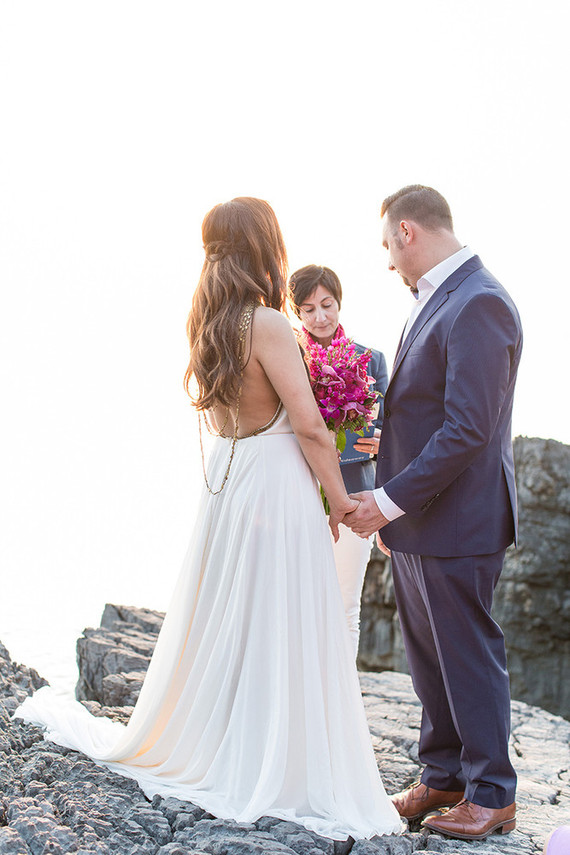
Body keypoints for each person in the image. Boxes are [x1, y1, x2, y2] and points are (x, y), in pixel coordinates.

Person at [15, 197, 402, 845]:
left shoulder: (210, 322)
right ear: (265, 246)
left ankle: (231, 739)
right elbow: (307, 423)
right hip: (275, 487)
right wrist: (339, 498)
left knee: (239, 617)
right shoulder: (270, 324)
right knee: (285, 621)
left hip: (231, 483)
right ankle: (275, 755)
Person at [344, 185, 522, 841]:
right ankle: (443, 774)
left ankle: (493, 793)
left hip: (462, 519)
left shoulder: (480, 302)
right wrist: (393, 508)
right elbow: (414, 416)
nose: (389, 261)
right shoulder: (436, 300)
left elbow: (467, 430)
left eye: (389, 245)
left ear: (408, 231)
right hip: (419, 522)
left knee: (468, 655)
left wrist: (387, 500)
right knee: (428, 657)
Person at [288, 264, 388, 657]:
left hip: (356, 496)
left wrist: (387, 442)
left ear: (339, 303)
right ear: (297, 314)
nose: (320, 317)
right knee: (299, 603)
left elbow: (393, 425)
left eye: (327, 305)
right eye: (309, 309)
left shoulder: (371, 359)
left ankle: (343, 707)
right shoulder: (289, 362)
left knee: (346, 603)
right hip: (301, 493)